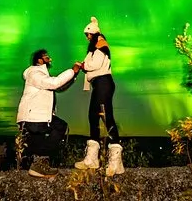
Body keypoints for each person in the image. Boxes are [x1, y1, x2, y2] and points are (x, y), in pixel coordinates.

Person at [16, 49, 82, 178]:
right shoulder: (34, 72)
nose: (49, 59)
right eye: (46, 57)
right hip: (34, 116)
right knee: (60, 126)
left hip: (36, 116)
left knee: (38, 144)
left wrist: (73, 76)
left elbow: (59, 87)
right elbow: (54, 83)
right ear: (39, 60)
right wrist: (72, 71)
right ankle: (39, 164)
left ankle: (38, 167)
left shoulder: (40, 74)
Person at [74, 16, 125, 176]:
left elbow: (95, 64)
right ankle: (92, 159)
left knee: (105, 116)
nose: (87, 37)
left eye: (88, 34)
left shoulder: (101, 45)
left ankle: (115, 162)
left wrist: (83, 66)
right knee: (94, 116)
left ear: (94, 33)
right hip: (100, 84)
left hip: (103, 83)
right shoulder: (96, 47)